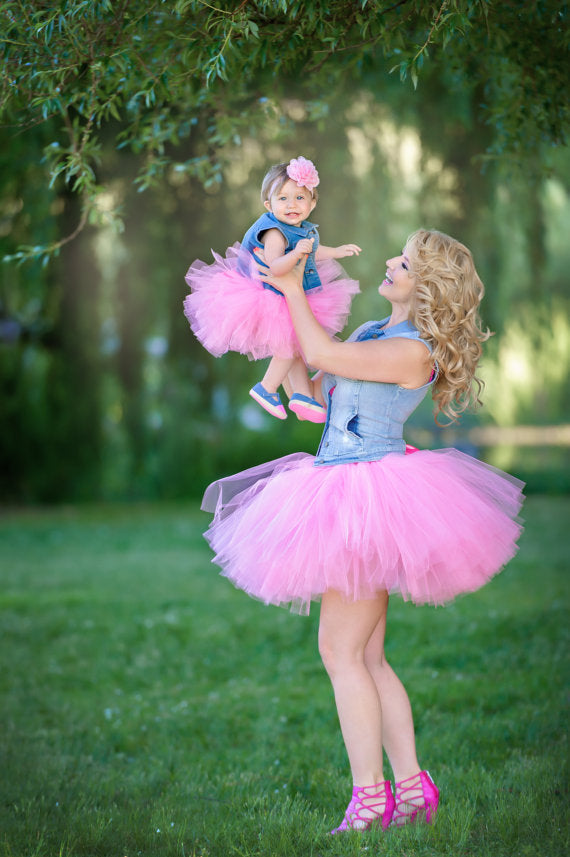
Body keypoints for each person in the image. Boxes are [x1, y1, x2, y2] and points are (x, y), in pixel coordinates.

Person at [200, 229, 524, 834]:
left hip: (366, 496)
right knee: (370, 658)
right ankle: (410, 790)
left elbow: (325, 356)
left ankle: (369, 798)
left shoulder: (414, 350)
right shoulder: (377, 333)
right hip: (344, 482)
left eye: (402, 262)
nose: (388, 262)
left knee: (339, 651)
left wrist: (296, 290)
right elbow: (324, 377)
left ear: (425, 287)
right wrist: (277, 312)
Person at [183, 156, 361, 422]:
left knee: (296, 344)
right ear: (269, 204)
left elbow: (312, 252)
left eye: (300, 198)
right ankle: (266, 388)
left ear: (312, 203)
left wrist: (337, 251)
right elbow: (276, 265)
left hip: (283, 295)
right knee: (288, 345)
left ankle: (302, 395)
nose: (292, 205)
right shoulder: (274, 232)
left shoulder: (301, 231)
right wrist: (297, 253)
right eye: (283, 199)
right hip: (268, 297)